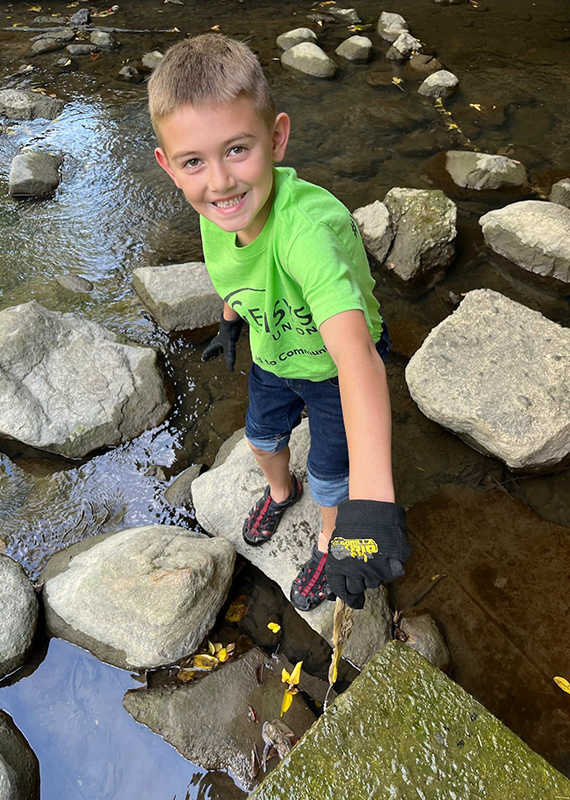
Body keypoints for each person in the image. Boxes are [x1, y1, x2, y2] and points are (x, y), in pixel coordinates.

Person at [148, 34, 411, 611]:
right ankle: (277, 489)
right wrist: (229, 322)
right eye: (195, 161)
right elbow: (239, 276)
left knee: (331, 476)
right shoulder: (219, 212)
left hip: (331, 369)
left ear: (277, 137)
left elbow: (358, 360)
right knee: (264, 441)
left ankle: (327, 540)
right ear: (171, 167)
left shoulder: (305, 233)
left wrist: (373, 503)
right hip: (275, 352)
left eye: (237, 150)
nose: (219, 181)